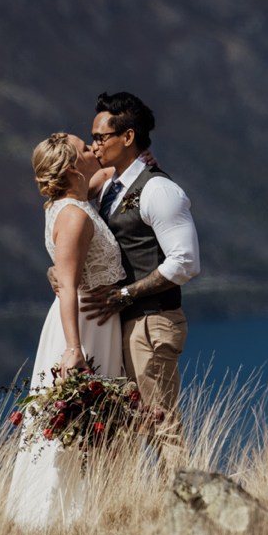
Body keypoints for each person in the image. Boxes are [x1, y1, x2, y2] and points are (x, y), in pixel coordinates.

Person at [5, 132, 125, 530]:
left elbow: (105, 171)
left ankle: (90, 509)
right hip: (83, 326)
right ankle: (52, 519)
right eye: (84, 147)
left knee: (92, 421)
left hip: (93, 322)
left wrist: (133, 158)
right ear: (73, 167)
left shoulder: (67, 202)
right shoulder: (74, 215)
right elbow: (69, 284)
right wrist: (74, 349)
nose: (93, 148)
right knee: (74, 423)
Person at [81, 91, 200, 460]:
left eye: (101, 137)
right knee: (127, 426)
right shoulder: (111, 188)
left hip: (151, 322)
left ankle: (190, 507)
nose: (94, 145)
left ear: (128, 137)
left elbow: (185, 262)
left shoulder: (159, 190)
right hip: (126, 324)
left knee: (160, 424)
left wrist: (125, 295)